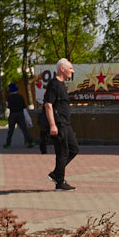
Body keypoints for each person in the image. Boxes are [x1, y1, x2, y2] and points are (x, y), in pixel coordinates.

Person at [43, 58, 78, 191]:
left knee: (74, 149)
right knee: (62, 152)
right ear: (62, 69)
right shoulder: (54, 84)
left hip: (66, 124)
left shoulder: (61, 84)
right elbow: (48, 105)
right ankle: (60, 182)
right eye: (70, 68)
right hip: (59, 124)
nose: (72, 71)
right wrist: (52, 125)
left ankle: (56, 174)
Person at [3, 82, 31, 148]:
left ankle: (8, 144)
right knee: (24, 129)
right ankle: (30, 142)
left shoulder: (9, 97)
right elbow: (24, 105)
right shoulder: (20, 96)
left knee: (11, 130)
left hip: (12, 114)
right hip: (20, 114)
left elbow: (7, 106)